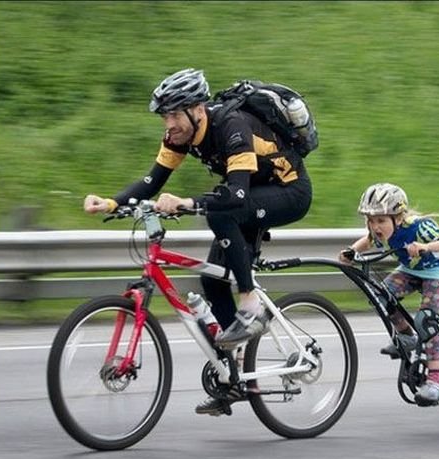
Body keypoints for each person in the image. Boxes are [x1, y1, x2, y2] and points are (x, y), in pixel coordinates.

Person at [83, 68, 313, 415]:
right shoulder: (179, 135)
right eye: (165, 116)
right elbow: (152, 182)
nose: (169, 124)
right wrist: (112, 203)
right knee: (212, 281)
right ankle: (234, 374)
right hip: (253, 195)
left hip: (289, 192)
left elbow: (236, 194)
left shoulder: (232, 127)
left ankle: (250, 304)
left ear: (198, 110)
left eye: (175, 115)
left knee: (220, 214)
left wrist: (187, 202)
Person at [338, 183, 439, 405]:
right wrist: (352, 251)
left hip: (438, 270)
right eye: (371, 220)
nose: (375, 226)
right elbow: (368, 240)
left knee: (426, 321)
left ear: (398, 218)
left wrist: (426, 247)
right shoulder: (379, 230)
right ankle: (407, 337)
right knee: (379, 297)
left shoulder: (420, 228)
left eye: (381, 220)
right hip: (411, 270)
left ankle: (435, 383)